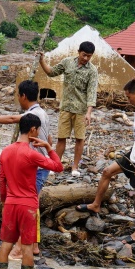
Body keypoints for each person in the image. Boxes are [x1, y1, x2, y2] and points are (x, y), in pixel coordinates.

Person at [77, 78, 135, 244]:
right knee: (107, 172)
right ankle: (96, 204)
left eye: (129, 97)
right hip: (134, 153)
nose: (128, 101)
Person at [0, 114, 62, 269]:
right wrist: (49, 147)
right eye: (38, 130)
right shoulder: (32, 154)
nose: (39, 133)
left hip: (10, 203)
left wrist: (4, 200)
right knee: (26, 248)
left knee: (6, 244)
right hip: (28, 206)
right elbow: (58, 167)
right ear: (33, 130)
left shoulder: (6, 151)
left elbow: (1, 179)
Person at [37, 40, 100, 173]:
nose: (86, 58)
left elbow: (91, 92)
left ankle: (75, 167)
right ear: (78, 52)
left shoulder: (92, 71)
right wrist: (41, 60)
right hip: (65, 107)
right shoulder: (67, 62)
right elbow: (51, 72)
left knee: (80, 138)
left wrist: (89, 112)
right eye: (84, 55)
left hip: (81, 110)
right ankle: (56, 165)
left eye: (89, 56)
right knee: (61, 137)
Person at [0, 79, 52, 194]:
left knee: (29, 197)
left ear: (23, 96)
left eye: (18, 95)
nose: (18, 98)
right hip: (40, 165)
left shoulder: (33, 114)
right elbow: (49, 139)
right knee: (30, 196)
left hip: (37, 167)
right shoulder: (43, 113)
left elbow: (12, 118)